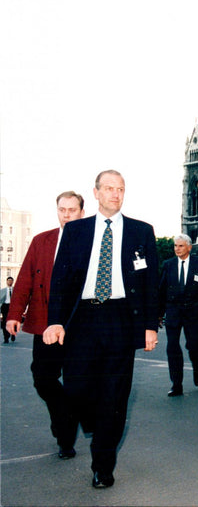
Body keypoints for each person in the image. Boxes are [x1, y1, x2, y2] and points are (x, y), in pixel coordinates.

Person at [43, 170, 159, 489]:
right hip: (82, 319)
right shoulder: (77, 230)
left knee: (115, 395)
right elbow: (61, 279)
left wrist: (150, 326)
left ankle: (103, 464)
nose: (115, 194)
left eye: (120, 189)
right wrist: (55, 320)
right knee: (77, 388)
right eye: (109, 188)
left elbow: (150, 284)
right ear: (95, 193)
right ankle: (93, 419)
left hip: (121, 318)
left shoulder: (141, 231)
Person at [6, 191, 84, 459]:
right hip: (45, 323)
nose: (66, 215)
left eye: (72, 210)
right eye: (62, 210)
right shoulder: (42, 241)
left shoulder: (90, 242)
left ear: (81, 212)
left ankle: (65, 438)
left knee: (76, 383)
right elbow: (25, 278)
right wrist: (14, 314)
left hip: (77, 327)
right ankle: (65, 417)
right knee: (43, 379)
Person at [158, 234, 198, 397]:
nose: (177, 249)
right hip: (173, 311)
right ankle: (176, 384)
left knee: (194, 345)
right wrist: (159, 314)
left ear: (189, 247)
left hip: (193, 312)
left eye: (181, 246)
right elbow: (162, 290)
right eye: (175, 246)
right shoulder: (168, 265)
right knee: (172, 347)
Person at [1, 277, 15, 343]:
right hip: (5, 307)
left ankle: (13, 333)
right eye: (8, 281)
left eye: (11, 281)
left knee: (13, 321)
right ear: (6, 282)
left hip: (13, 307)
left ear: (13, 282)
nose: (10, 282)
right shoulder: (2, 290)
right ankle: (6, 338)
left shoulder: (15, 290)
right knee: (4, 323)